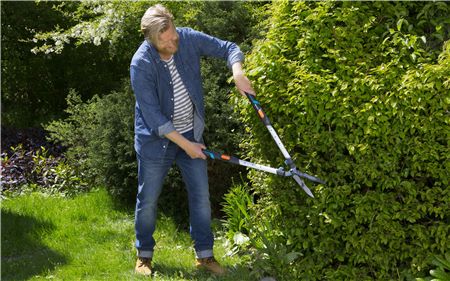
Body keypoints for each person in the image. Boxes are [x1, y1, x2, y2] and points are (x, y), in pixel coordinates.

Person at [130, 4, 255, 277]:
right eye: (165, 40)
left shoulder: (186, 38)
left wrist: (237, 72)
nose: (173, 41)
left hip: (191, 134)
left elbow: (228, 48)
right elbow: (155, 118)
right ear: (151, 40)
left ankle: (205, 256)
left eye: (173, 34)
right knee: (148, 199)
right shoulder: (141, 63)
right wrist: (188, 147)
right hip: (155, 142)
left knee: (200, 199)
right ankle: (144, 256)